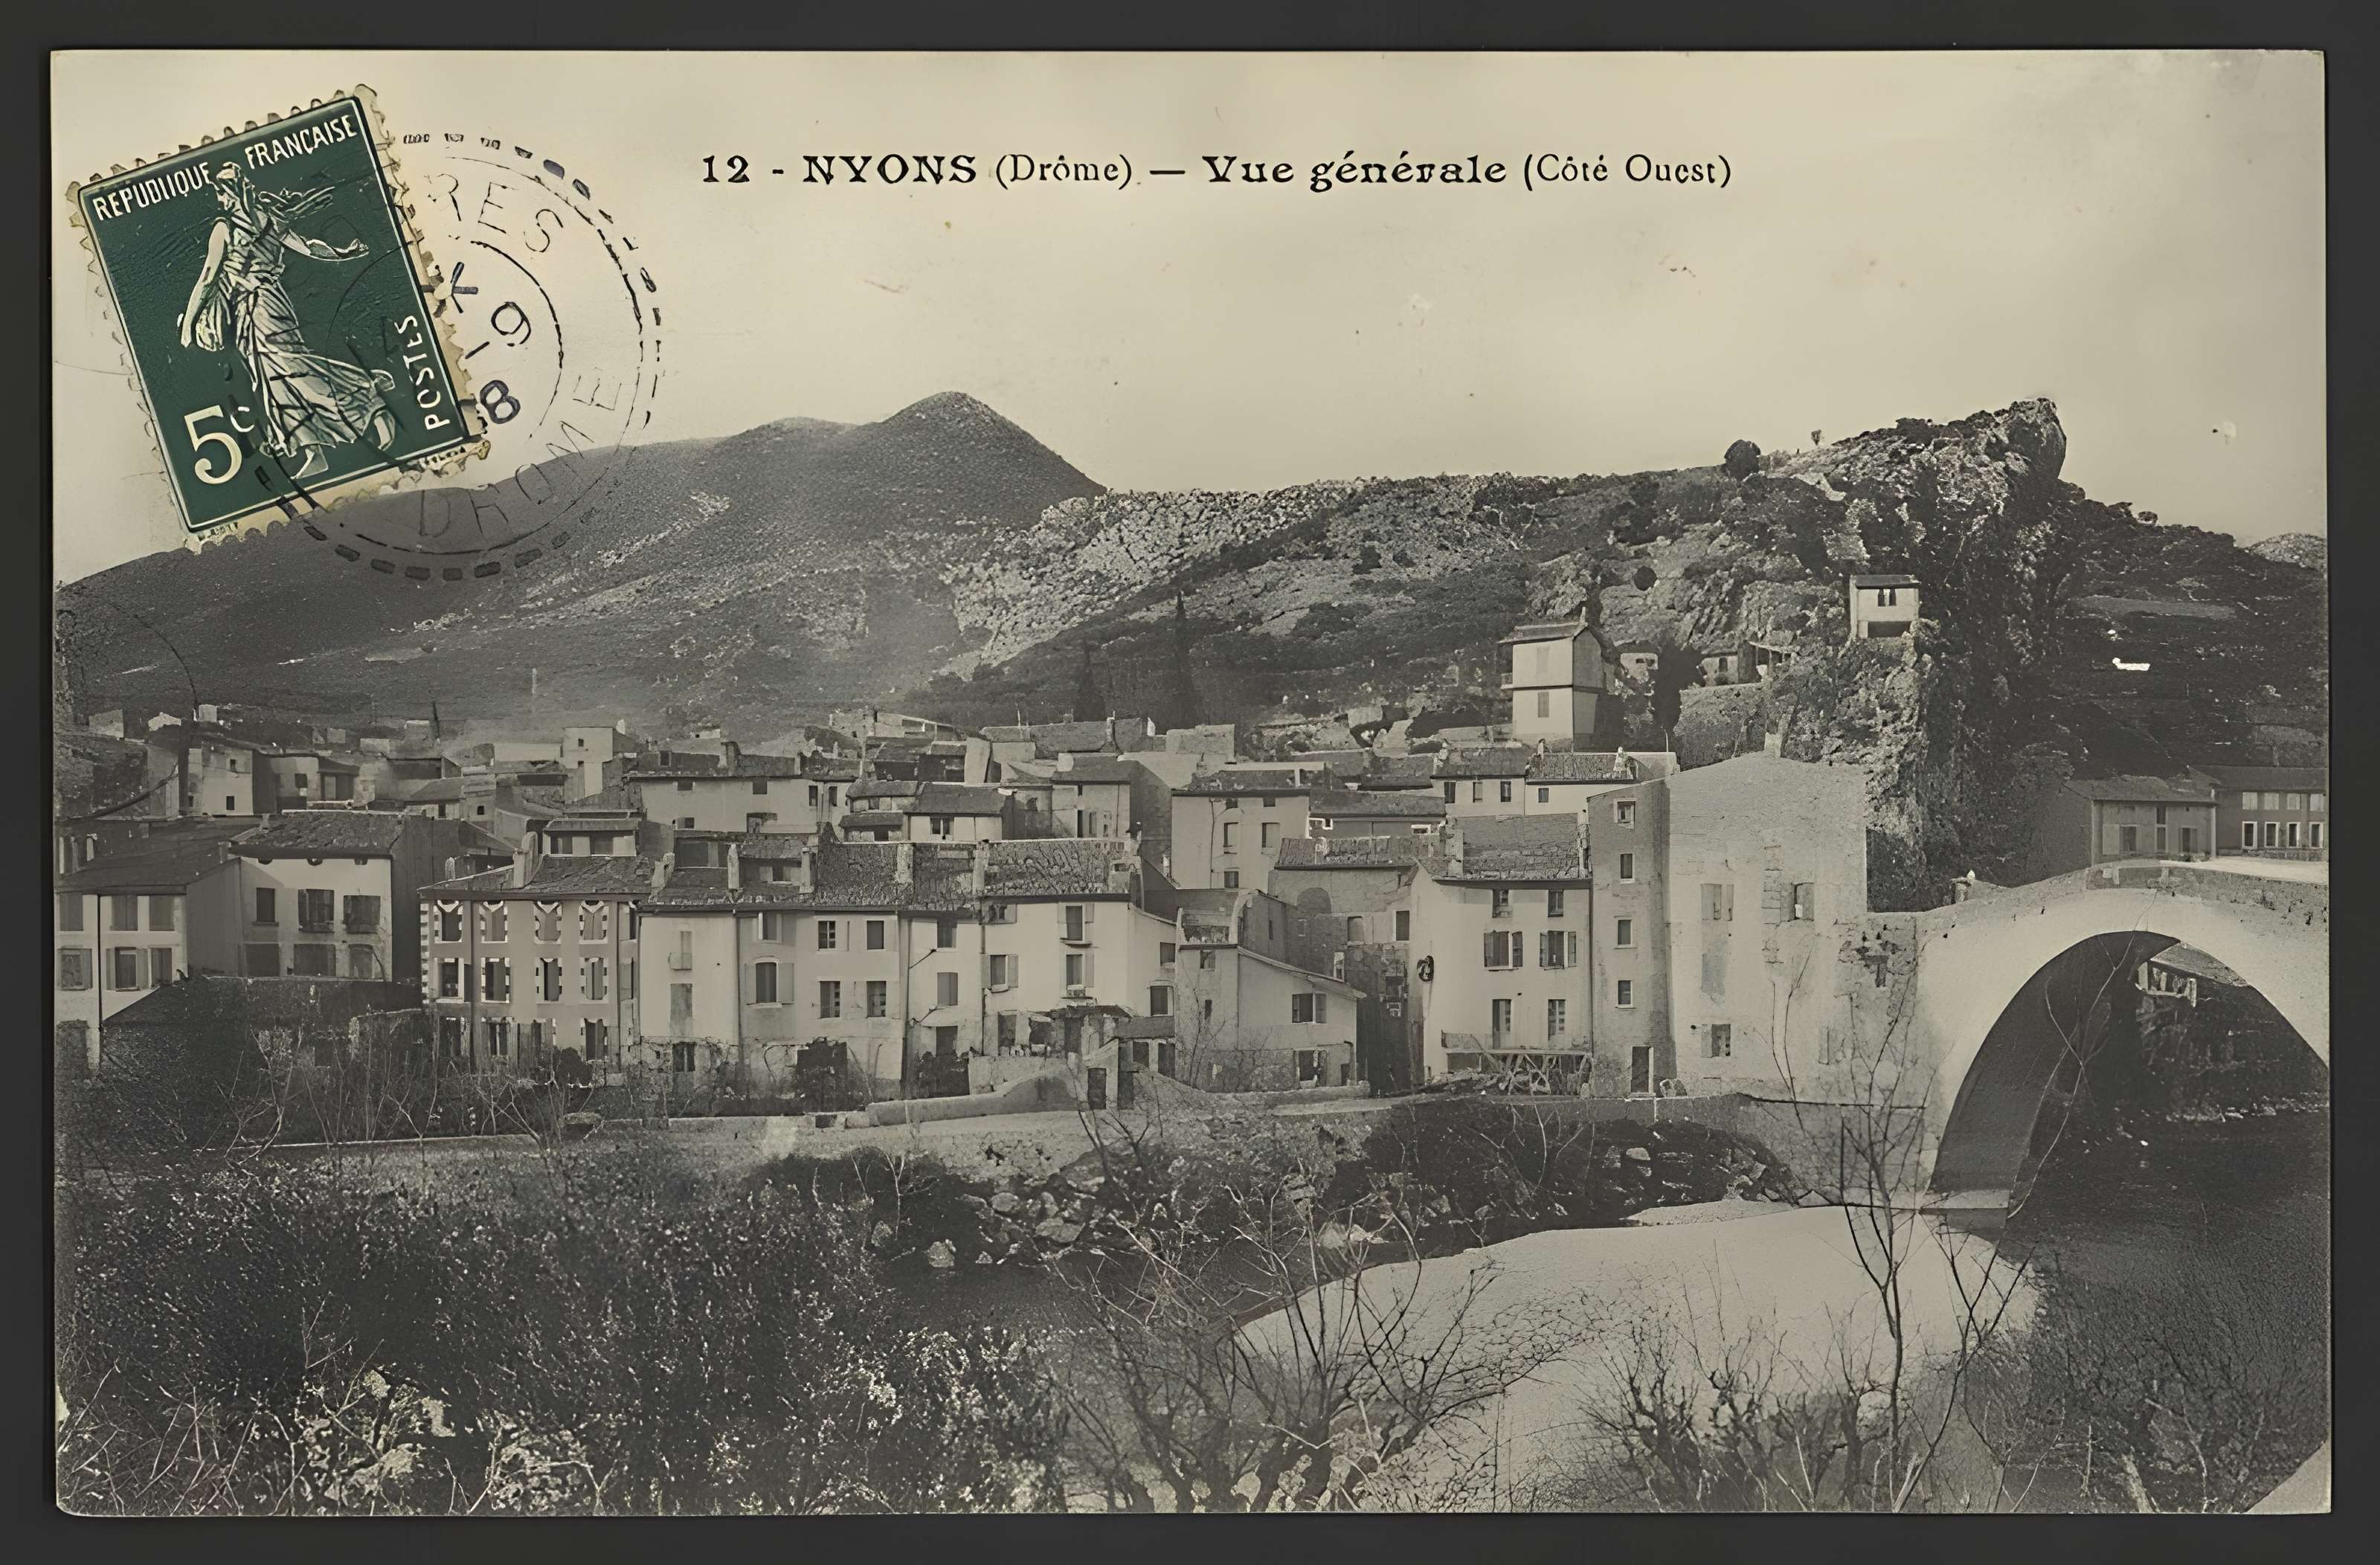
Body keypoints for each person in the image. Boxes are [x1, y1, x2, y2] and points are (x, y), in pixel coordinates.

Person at [177, 164, 397, 480]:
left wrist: (188, 326)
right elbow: (307, 247)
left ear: (231, 192)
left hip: (257, 309)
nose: (219, 198)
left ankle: (368, 398)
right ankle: (314, 450)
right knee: (273, 378)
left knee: (288, 367)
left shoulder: (224, 228)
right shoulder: (268, 219)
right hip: (265, 305)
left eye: (220, 192)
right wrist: (342, 254)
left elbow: (208, 278)